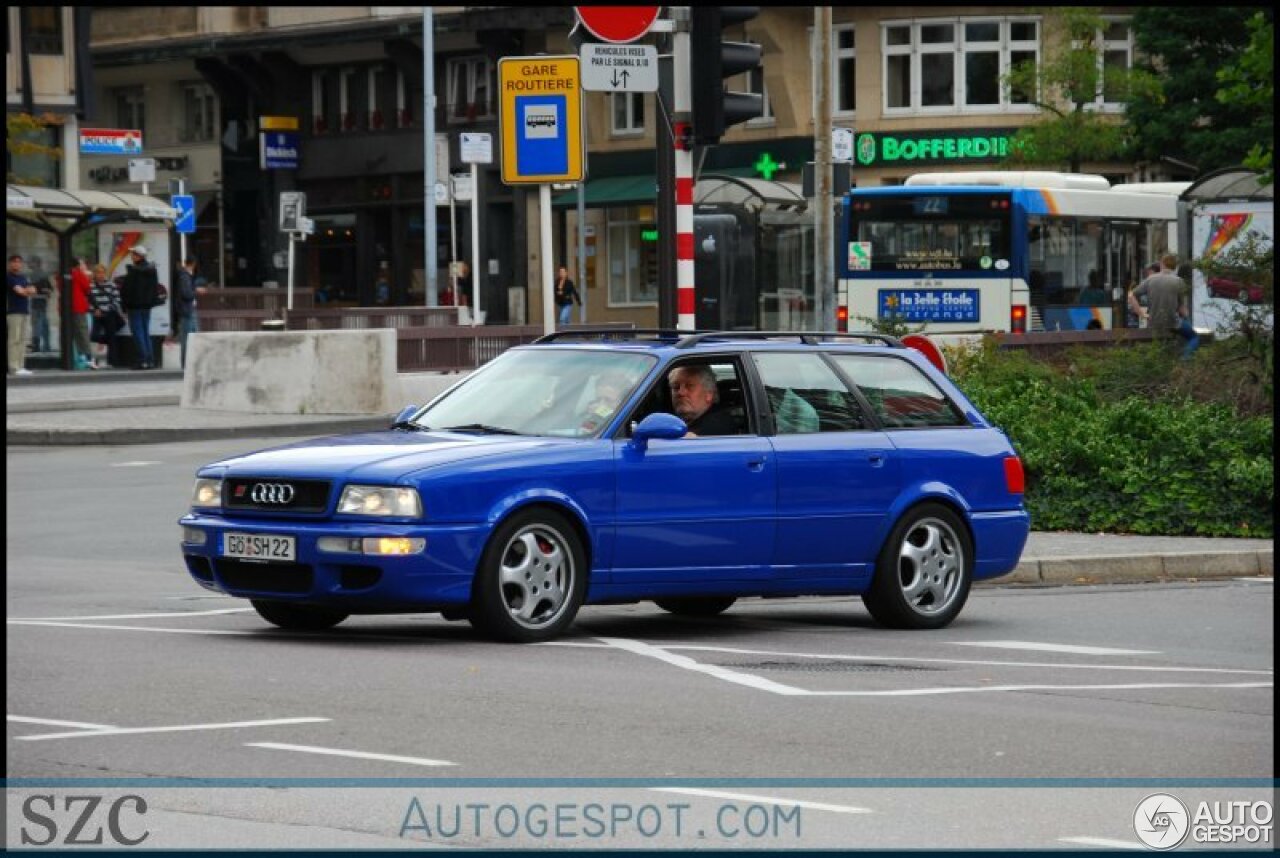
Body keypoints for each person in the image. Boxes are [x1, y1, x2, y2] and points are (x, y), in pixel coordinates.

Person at [1128, 253, 1199, 359]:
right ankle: (1185, 359)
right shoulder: (1179, 282)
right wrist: (1187, 318)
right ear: (1175, 266)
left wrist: (1141, 314)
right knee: (1194, 336)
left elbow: (1131, 295)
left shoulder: (1150, 279)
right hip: (1172, 323)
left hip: (1153, 322)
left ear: (1162, 264)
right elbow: (1181, 308)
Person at [668, 365, 738, 436]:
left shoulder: (719, 424)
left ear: (709, 394)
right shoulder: (674, 420)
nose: (681, 392)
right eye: (676, 387)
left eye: (689, 386)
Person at [120, 245, 160, 369]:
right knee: (145, 332)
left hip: (134, 306)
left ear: (139, 256)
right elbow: (154, 289)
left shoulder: (134, 271)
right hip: (147, 306)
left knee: (138, 333)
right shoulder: (152, 270)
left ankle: (143, 360)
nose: (131, 256)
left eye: (133, 254)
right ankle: (150, 360)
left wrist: (124, 306)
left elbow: (127, 290)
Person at [175, 257, 209, 369]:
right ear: (193, 264)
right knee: (188, 338)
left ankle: (189, 363)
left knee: (191, 336)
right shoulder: (185, 276)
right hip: (187, 310)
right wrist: (197, 291)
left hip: (188, 310)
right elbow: (187, 294)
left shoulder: (185, 276)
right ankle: (187, 363)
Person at [89, 262, 124, 368]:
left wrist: (107, 309)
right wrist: (94, 310)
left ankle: (113, 361)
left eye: (102, 273)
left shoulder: (111, 285)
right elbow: (88, 300)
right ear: (94, 274)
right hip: (97, 314)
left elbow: (117, 300)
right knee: (94, 336)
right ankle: (99, 356)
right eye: (98, 273)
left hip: (109, 314)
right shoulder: (91, 286)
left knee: (112, 337)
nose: (100, 275)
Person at [7, 254, 37, 375]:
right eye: (14, 262)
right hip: (13, 311)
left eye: (19, 262)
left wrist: (26, 291)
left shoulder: (23, 277)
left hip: (24, 311)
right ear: (10, 263)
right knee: (14, 340)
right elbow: (20, 292)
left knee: (22, 340)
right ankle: (13, 367)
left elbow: (33, 290)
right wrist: (26, 291)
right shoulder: (9, 277)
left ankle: (20, 366)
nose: (17, 264)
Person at [70, 257, 96, 369]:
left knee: (71, 334)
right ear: (76, 265)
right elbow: (87, 288)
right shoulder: (77, 273)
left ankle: (74, 357)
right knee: (83, 333)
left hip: (66, 308)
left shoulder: (60, 275)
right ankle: (88, 358)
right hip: (79, 306)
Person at [27, 255, 52, 353]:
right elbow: (49, 289)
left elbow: (31, 289)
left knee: (37, 324)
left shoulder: (34, 275)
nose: (28, 264)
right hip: (43, 302)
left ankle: (36, 345)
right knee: (44, 324)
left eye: (30, 262)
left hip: (36, 302)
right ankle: (46, 345)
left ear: (36, 263)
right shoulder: (43, 274)